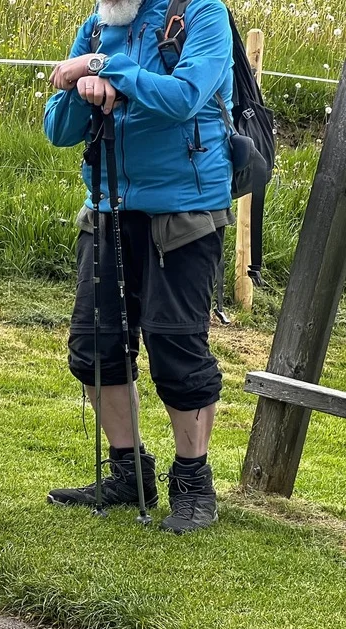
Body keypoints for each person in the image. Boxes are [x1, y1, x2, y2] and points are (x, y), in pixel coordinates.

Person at [42, 0, 233, 533]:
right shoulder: (100, 25)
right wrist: (83, 93)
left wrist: (105, 70)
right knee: (94, 346)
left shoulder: (203, 14)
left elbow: (185, 98)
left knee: (176, 346)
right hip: (107, 206)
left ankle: (194, 482)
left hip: (186, 208)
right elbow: (58, 130)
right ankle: (129, 472)